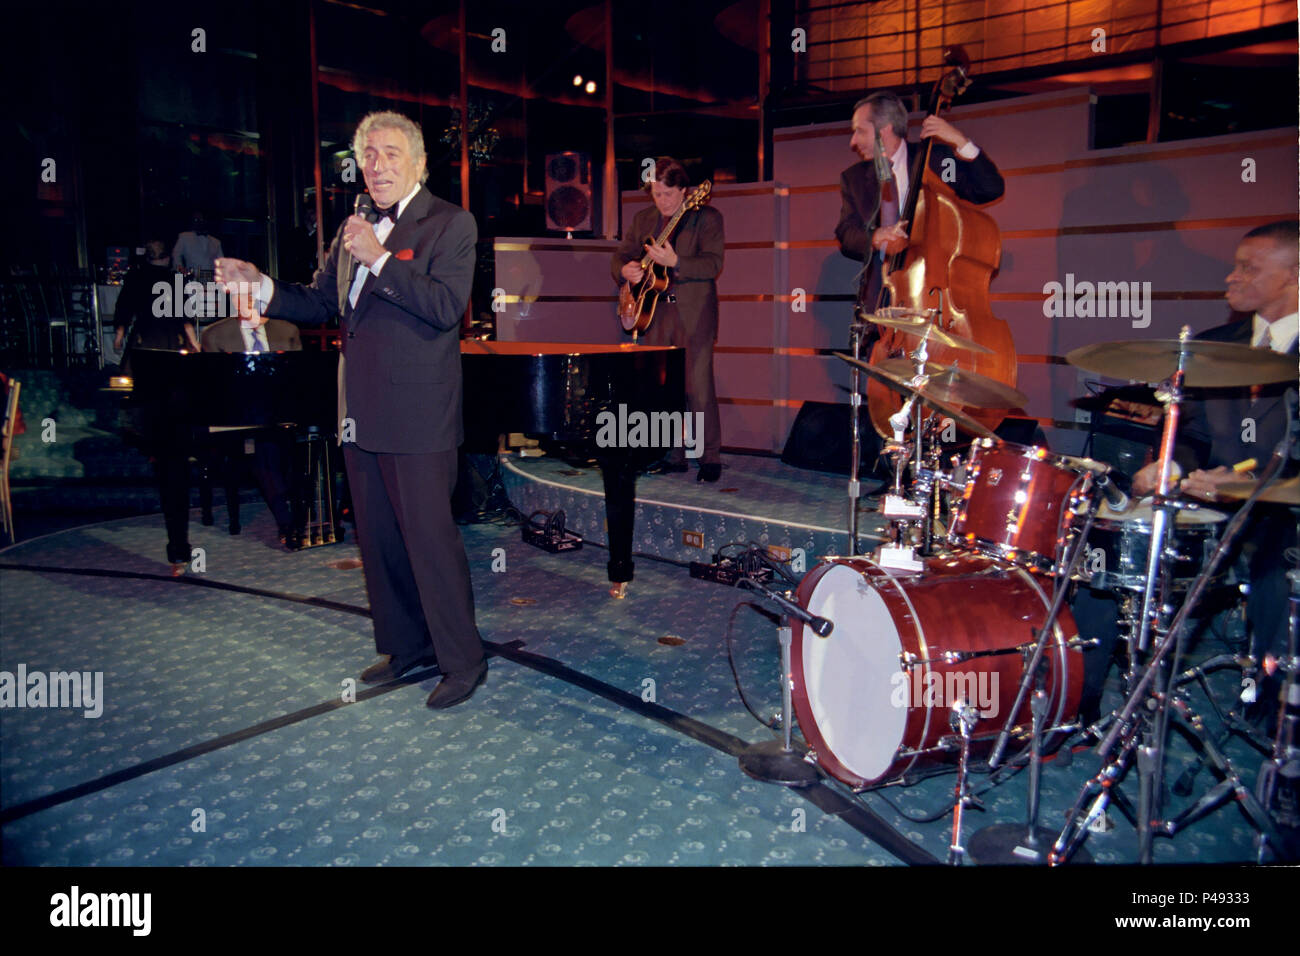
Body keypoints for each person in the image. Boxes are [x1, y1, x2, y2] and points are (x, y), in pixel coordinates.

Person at [215, 111, 487, 710]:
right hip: (357, 411)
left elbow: (445, 308)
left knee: (430, 542)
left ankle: (463, 662)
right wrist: (260, 285)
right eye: (369, 155)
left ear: (417, 162)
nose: (378, 165)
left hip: (419, 415)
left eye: (391, 153)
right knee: (381, 540)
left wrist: (382, 261)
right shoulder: (353, 229)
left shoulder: (451, 223)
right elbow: (317, 303)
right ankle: (407, 646)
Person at [1076, 220, 1299, 727]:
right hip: (1206, 498)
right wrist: (1173, 464)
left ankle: (1274, 726)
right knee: (1110, 542)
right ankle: (1081, 704)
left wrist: (1244, 481)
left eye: (1250, 268)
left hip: (1285, 508)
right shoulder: (1215, 345)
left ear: (1294, 276)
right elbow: (1195, 434)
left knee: (1277, 573)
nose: (1231, 277)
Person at [835, 91, 1004, 316]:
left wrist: (961, 142)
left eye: (860, 131)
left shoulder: (937, 161)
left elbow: (989, 189)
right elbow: (847, 234)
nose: (852, 142)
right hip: (881, 298)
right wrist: (876, 236)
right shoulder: (853, 178)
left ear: (884, 130)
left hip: (933, 299)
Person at [611, 156, 724, 482]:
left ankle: (710, 458)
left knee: (698, 387)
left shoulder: (707, 218)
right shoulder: (643, 218)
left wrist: (676, 261)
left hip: (694, 312)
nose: (662, 202)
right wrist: (624, 270)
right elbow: (621, 254)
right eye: (656, 195)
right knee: (661, 386)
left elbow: (713, 265)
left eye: (668, 195)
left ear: (684, 191)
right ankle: (671, 455)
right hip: (654, 311)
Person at [200, 298, 302, 542]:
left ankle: (299, 507)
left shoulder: (287, 330)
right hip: (239, 420)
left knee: (306, 439)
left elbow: (299, 380)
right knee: (263, 445)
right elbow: (211, 390)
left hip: (282, 416)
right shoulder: (215, 334)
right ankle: (286, 521)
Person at [113, 239, 199, 373]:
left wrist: (119, 334)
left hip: (145, 334)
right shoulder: (174, 279)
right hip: (172, 337)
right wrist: (194, 341)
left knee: (141, 377)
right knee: (172, 378)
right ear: (167, 258)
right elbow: (185, 315)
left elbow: (124, 307)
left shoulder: (136, 277)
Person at [172, 212, 224, 278]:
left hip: (210, 278)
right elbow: (176, 255)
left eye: (202, 220)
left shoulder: (216, 242)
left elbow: (220, 262)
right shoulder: (185, 237)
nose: (199, 222)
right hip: (192, 277)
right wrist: (181, 270)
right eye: (196, 220)